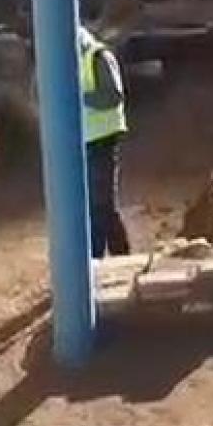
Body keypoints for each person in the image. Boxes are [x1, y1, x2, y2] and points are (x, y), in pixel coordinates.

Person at [79, 24, 131, 257]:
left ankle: (100, 258)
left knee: (100, 205)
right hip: (85, 140)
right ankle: (115, 257)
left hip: (103, 139)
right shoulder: (74, 60)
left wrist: (78, 98)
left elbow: (114, 96)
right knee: (98, 206)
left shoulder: (99, 56)